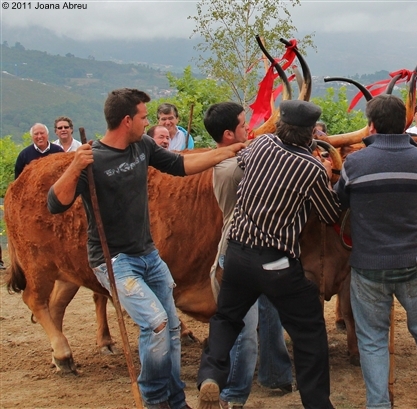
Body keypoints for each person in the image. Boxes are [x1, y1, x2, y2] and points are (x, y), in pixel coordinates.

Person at [46, 88, 244, 409]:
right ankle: (154, 399)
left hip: (149, 254)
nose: (148, 122)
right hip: (115, 260)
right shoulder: (91, 158)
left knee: (173, 329)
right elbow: (56, 203)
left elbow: (181, 166)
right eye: (143, 117)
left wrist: (230, 151)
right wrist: (74, 167)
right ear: (127, 120)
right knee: (156, 324)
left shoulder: (143, 146)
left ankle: (176, 400)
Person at [197, 100, 340, 409]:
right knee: (309, 331)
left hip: (236, 253)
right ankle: (317, 403)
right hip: (276, 262)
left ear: (280, 126)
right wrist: (330, 175)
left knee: (226, 318)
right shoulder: (311, 168)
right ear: (309, 134)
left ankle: (211, 375)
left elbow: (243, 162)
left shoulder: (261, 144)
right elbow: (330, 213)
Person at [335, 94, 417, 409]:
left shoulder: (355, 162)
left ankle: (378, 404)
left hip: (368, 265)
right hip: (414, 262)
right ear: (404, 124)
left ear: (372, 125)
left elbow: (340, 199)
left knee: (373, 339)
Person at [203, 102, 294, 408]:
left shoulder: (233, 157)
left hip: (264, 250)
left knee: (272, 314)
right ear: (228, 134)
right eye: (243, 124)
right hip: (239, 254)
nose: (249, 128)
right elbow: (277, 162)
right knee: (244, 333)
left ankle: (275, 374)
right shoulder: (233, 166)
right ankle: (231, 397)